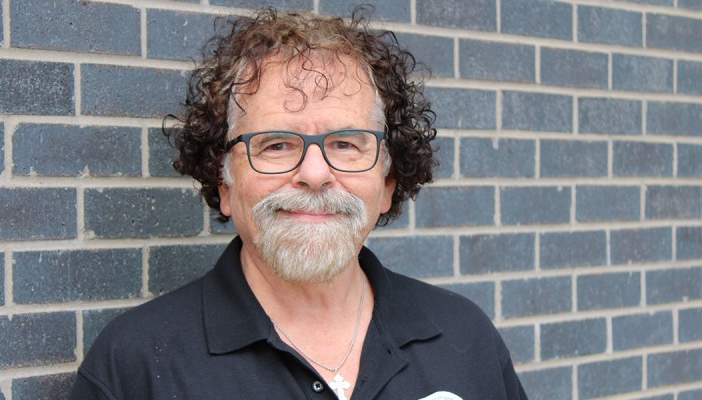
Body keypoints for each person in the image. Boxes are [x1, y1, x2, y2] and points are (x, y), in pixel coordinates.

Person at [70, 7, 528, 400]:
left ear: (388, 182)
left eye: (346, 144)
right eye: (276, 145)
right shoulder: (134, 367)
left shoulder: (465, 338)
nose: (314, 173)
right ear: (224, 182)